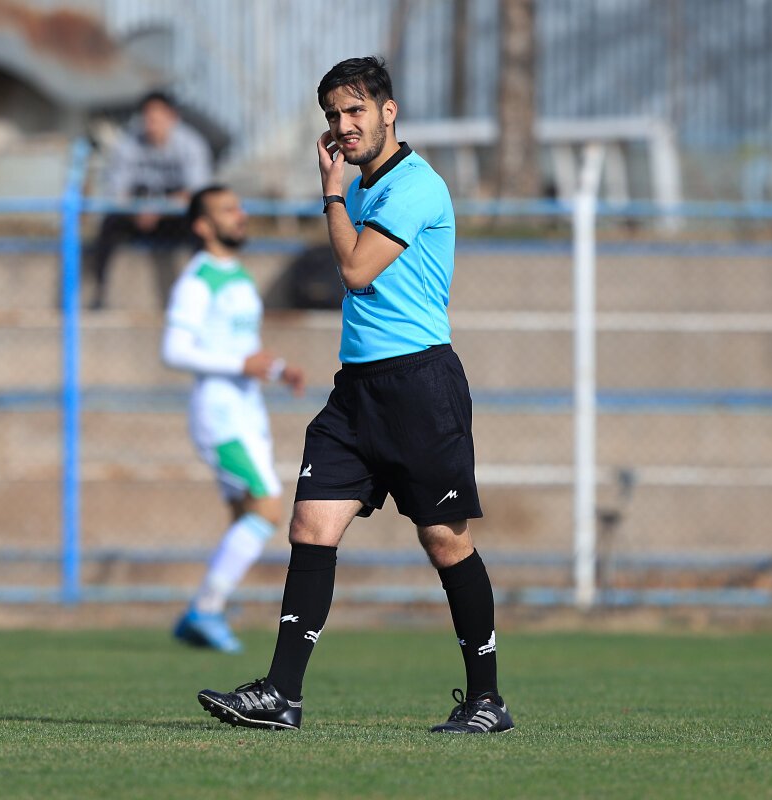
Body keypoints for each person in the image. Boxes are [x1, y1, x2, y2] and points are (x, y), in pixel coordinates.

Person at [197, 56, 514, 734]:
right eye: (334, 116)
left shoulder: (415, 185)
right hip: (357, 391)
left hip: (421, 387)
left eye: (355, 111)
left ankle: (487, 699)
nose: (343, 126)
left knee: (444, 541)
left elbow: (357, 270)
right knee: (310, 525)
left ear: (388, 111)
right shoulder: (365, 185)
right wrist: (342, 192)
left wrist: (331, 193)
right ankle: (282, 695)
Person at [165, 185, 305, 653]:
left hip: (247, 410)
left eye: (239, 206)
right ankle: (205, 609)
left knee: (245, 512)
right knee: (267, 507)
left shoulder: (238, 276)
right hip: (220, 414)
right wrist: (240, 365)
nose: (240, 215)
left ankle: (209, 611)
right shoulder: (197, 280)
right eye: (227, 210)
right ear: (203, 226)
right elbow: (174, 350)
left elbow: (242, 348)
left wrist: (278, 369)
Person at [89, 90, 214, 310]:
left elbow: (197, 192)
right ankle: (98, 292)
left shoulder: (191, 144)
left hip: (174, 218)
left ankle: (205, 292)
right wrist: (137, 210)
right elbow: (116, 191)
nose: (152, 122)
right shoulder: (128, 143)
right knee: (108, 225)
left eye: (158, 117)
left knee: (202, 226)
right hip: (136, 216)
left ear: (172, 117)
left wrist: (160, 208)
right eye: (147, 116)